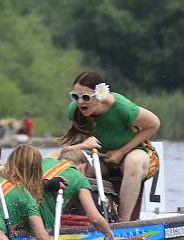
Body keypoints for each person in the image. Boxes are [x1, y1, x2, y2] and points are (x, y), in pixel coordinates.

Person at [58, 71, 161, 222]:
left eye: (86, 97)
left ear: (99, 95)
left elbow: (154, 124)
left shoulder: (121, 107)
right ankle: (78, 220)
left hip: (135, 153)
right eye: (75, 96)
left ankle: (123, 223)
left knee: (133, 162)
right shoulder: (75, 110)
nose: (80, 102)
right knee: (77, 167)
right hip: (103, 157)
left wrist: (121, 152)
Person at [8, 144, 118, 240]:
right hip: (45, 228)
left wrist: (84, 145)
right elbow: (94, 218)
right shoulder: (80, 179)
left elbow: (60, 151)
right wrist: (111, 237)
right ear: (83, 166)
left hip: (18, 222)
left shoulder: (44, 160)